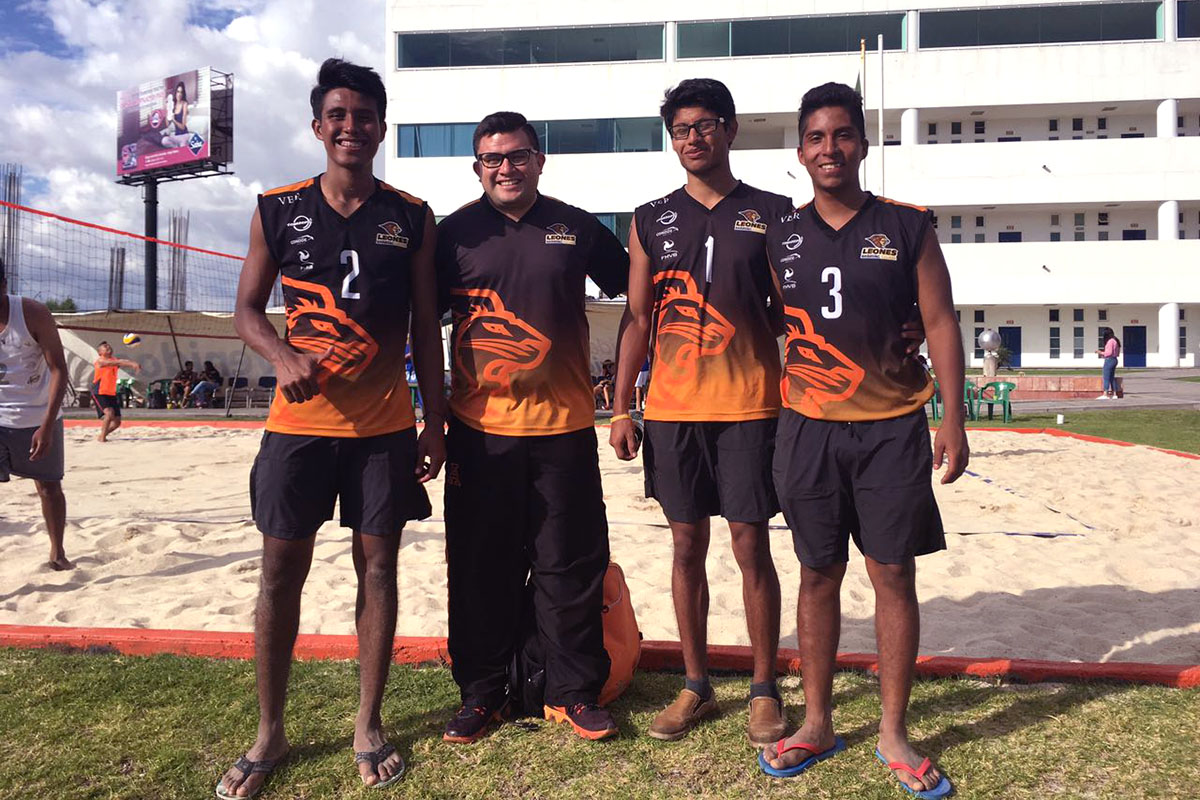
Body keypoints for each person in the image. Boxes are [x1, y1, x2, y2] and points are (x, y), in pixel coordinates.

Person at [218, 58, 446, 797]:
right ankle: (268, 730)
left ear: (381, 127)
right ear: (319, 126)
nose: (352, 126)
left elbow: (424, 326)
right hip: (299, 427)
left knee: (378, 569)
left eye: (366, 115)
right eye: (338, 115)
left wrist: (433, 423)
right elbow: (246, 312)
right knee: (281, 572)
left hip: (383, 428)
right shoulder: (277, 207)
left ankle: (367, 722)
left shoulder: (410, 214)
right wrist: (281, 354)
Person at [758, 83, 967, 799]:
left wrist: (955, 418)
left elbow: (940, 323)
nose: (829, 149)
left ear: (862, 143)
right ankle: (816, 722)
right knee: (817, 574)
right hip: (808, 431)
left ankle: (892, 731)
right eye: (816, 138)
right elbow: (760, 324)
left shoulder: (907, 227)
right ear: (800, 151)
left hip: (890, 432)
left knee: (892, 575)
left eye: (842, 135)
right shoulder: (778, 236)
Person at [436, 111, 629, 743]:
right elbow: (408, 316)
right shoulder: (453, 235)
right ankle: (482, 692)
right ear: (477, 168)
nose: (506, 167)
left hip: (564, 427)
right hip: (479, 429)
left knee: (568, 563)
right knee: (478, 565)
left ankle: (573, 692)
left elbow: (645, 291)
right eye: (493, 159)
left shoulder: (573, 226)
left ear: (539, 160)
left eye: (518, 155)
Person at [609, 78, 791, 747]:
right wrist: (623, 406)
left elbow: (789, 315)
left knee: (751, 545)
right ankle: (695, 683)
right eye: (681, 128)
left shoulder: (773, 213)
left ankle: (765, 687)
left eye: (705, 125)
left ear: (730, 130)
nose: (693, 137)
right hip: (674, 410)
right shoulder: (650, 216)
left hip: (749, 406)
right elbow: (636, 317)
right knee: (687, 546)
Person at [0, 256, 71, 570]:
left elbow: (59, 369)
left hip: (36, 415)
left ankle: (57, 552)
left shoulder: (32, 313)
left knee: (48, 487)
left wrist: (47, 425)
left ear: (3, 286)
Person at [91, 341, 139, 442]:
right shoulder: (100, 361)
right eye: (105, 347)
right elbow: (118, 363)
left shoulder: (114, 360)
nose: (108, 346)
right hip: (99, 392)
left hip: (111, 393)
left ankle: (102, 435)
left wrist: (132, 363)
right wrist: (132, 364)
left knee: (117, 422)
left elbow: (120, 361)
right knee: (109, 413)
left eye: (109, 345)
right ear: (100, 352)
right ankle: (102, 439)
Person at [161, 81, 190, 148]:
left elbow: (183, 126)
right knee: (164, 140)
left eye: (181, 92)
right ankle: (176, 147)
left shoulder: (184, 104)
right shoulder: (172, 105)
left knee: (182, 147)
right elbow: (167, 125)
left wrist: (174, 120)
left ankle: (180, 147)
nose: (179, 94)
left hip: (184, 135)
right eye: (178, 91)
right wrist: (167, 110)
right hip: (176, 136)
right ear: (175, 93)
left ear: (183, 94)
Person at [1095, 328, 1121, 399]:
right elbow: (1117, 353)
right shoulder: (1116, 341)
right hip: (1115, 359)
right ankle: (1115, 393)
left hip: (1109, 360)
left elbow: (1108, 353)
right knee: (1111, 377)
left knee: (1106, 377)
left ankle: (1105, 393)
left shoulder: (1110, 341)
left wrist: (1100, 352)